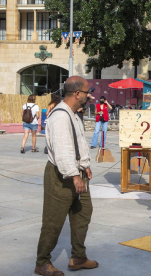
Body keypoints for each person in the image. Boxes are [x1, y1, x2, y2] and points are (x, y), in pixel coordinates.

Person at [34, 76, 98, 276]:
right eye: (87, 92)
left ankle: (78, 256)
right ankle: (42, 262)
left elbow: (77, 144)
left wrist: (84, 166)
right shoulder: (61, 116)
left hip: (76, 172)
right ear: (77, 94)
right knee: (54, 220)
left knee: (83, 213)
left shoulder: (72, 113)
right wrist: (74, 175)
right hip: (62, 175)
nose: (89, 95)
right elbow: (63, 150)